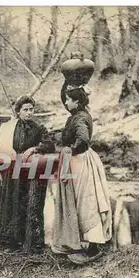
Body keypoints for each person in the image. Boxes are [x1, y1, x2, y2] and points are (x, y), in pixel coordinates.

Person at [51, 83, 113, 264]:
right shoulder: (79, 114)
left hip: (81, 162)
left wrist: (71, 150)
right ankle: (82, 243)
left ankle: (92, 247)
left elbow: (83, 139)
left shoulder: (79, 118)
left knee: (87, 203)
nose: (65, 103)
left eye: (68, 100)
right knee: (83, 202)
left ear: (77, 102)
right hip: (80, 160)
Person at [0, 95, 55, 253]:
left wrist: (34, 149)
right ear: (18, 112)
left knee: (26, 205)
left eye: (31, 109)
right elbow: (0, 150)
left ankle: (31, 241)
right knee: (9, 204)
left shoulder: (38, 128)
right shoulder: (9, 128)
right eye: (25, 110)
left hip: (27, 172)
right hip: (10, 170)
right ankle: (9, 242)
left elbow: (49, 145)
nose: (29, 113)